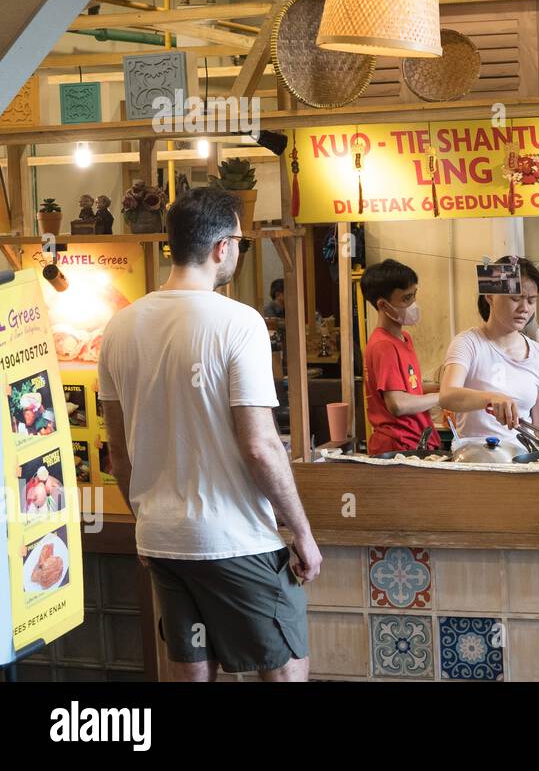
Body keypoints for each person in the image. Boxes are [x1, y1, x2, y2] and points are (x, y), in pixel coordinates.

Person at [98, 188, 320, 681]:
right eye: (241, 240)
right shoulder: (239, 322)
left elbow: (119, 454)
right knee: (283, 667)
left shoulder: (119, 327)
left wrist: (148, 519)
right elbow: (260, 446)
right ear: (223, 246)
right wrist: (302, 533)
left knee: (190, 668)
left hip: (162, 540)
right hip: (236, 539)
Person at [438, 256, 539, 440]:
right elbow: (447, 395)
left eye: (531, 300)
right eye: (515, 298)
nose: (524, 308)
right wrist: (490, 398)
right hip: (476, 460)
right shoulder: (468, 343)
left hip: (523, 460)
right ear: (490, 296)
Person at [361, 259, 440, 456]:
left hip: (416, 441)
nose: (413, 304)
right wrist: (442, 397)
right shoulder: (383, 346)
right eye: (406, 299)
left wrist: (442, 387)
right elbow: (398, 404)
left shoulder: (404, 338)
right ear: (383, 305)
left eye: (414, 295)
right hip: (398, 447)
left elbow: (410, 388)